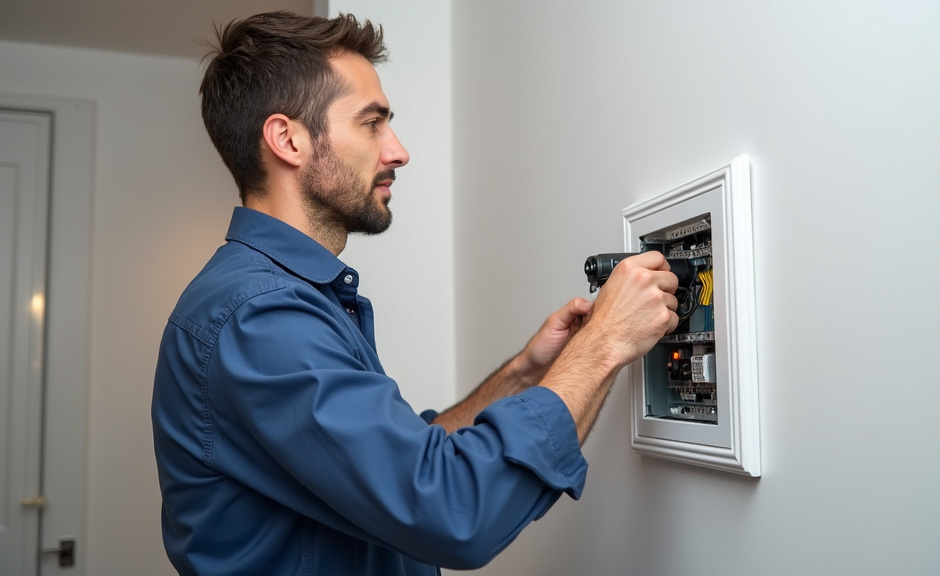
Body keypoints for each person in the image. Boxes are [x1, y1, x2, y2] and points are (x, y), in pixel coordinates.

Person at [152, 11, 678, 576]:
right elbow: (454, 509)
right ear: (288, 139)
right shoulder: (259, 317)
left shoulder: (285, 300)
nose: (398, 151)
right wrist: (601, 345)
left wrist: (527, 374)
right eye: (372, 123)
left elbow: (398, 466)